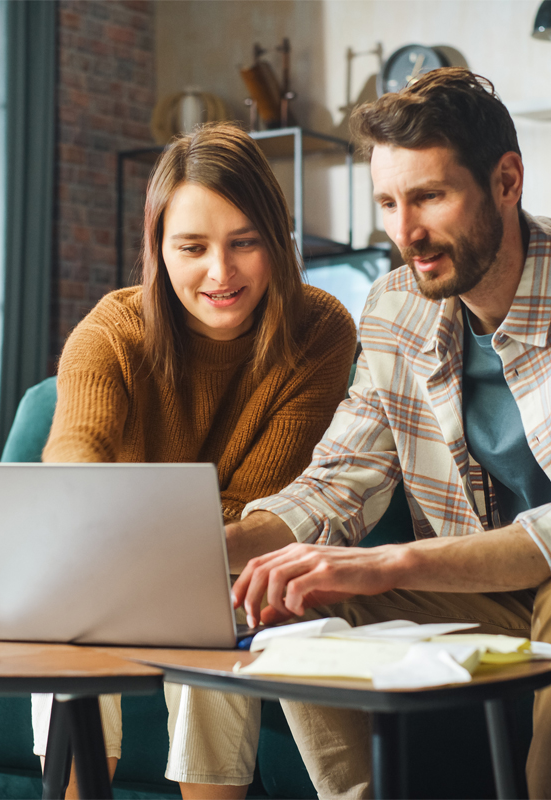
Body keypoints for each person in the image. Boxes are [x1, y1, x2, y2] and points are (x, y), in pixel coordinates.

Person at [228, 68, 551, 799]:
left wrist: (393, 563)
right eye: (386, 202)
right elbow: (340, 479)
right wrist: (201, 553)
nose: (404, 233)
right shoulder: (396, 307)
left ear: (506, 182)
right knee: (296, 600)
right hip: (486, 594)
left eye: (429, 197)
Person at [31, 122, 356, 799]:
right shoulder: (113, 330)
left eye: (245, 243)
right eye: (192, 247)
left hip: (227, 563)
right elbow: (73, 459)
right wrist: (94, 532)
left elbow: (263, 505)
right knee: (68, 621)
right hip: (108, 568)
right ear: (157, 249)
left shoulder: (320, 330)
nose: (221, 272)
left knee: (218, 615)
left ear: (277, 240)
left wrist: (151, 547)